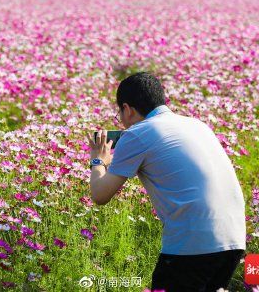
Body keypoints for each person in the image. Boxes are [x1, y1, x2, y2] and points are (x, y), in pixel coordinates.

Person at [86, 72, 246, 292]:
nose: (121, 120)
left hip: (192, 246)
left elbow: (99, 195)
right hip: (233, 239)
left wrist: (98, 160)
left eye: (119, 113)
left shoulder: (138, 133)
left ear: (128, 108)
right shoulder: (197, 125)